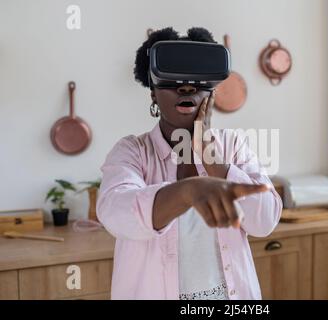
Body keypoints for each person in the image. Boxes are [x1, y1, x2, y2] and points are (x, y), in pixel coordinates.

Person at [97, 27, 282, 300]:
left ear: (212, 92)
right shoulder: (132, 152)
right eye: (173, 82)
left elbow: (265, 221)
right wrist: (188, 191)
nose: (186, 88)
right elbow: (116, 213)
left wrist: (210, 155)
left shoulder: (233, 146)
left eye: (197, 82)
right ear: (153, 94)